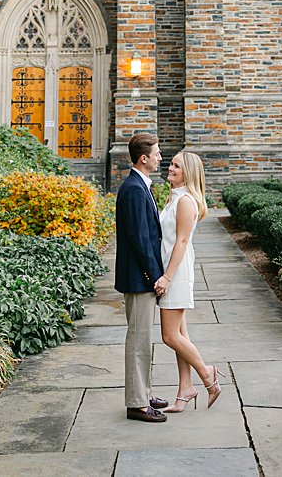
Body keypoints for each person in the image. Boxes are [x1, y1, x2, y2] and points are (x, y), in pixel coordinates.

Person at [155, 149, 224, 410]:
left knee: (170, 336)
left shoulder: (186, 201)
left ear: (189, 174)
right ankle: (185, 390)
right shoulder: (177, 198)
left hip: (176, 272)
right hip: (172, 270)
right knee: (181, 334)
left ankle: (208, 375)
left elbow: (182, 241)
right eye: (171, 164)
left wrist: (167, 277)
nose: (170, 168)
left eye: (176, 166)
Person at [115, 132, 171, 422]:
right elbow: (140, 239)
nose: (162, 157)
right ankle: (136, 404)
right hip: (139, 277)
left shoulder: (141, 185)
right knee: (138, 341)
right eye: (157, 152)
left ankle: (144, 392)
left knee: (144, 339)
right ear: (144, 157)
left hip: (141, 276)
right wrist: (154, 275)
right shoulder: (135, 189)